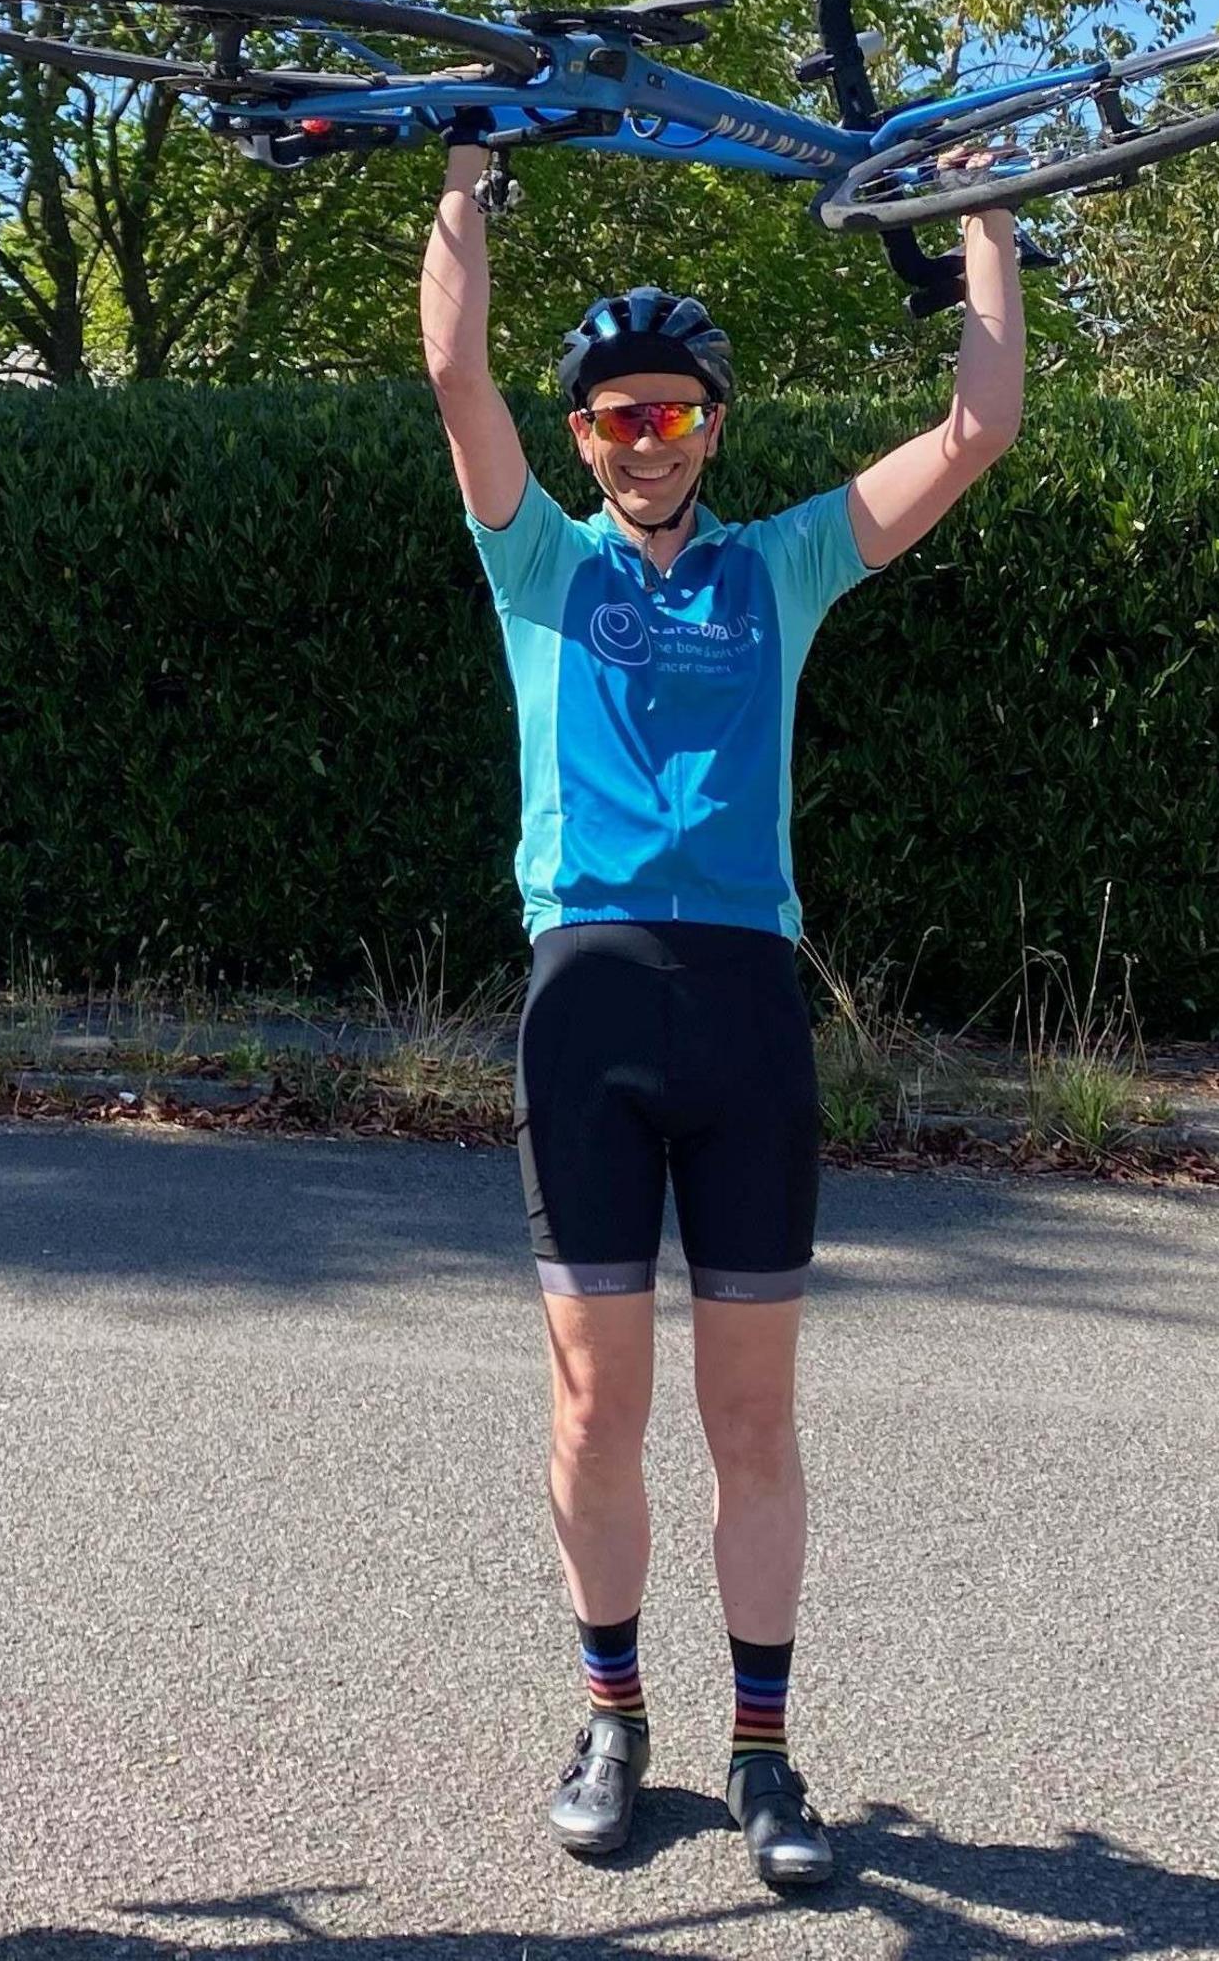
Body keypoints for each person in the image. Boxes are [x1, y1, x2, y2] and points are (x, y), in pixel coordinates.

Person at [415, 135, 1023, 1892]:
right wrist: (465, 175)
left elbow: (974, 429)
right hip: (584, 1002)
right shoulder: (537, 566)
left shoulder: (784, 566)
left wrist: (982, 220)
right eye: (615, 416)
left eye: (674, 413)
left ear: (714, 428)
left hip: (745, 1004)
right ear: (587, 434)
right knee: (596, 1413)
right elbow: (456, 368)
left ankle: (765, 1750)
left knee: (751, 1421)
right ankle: (614, 1717)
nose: (646, 439)